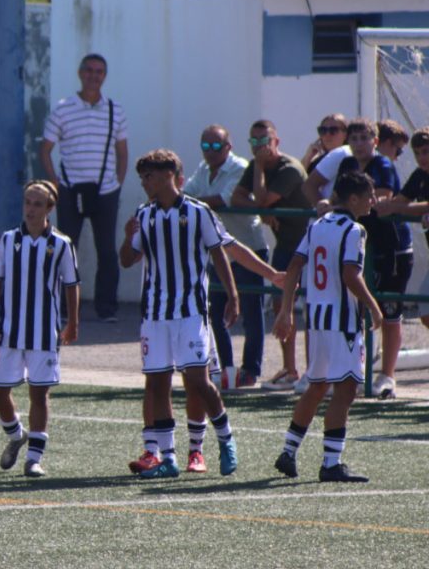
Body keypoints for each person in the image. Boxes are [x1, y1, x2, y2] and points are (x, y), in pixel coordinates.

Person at [119, 149, 240, 479]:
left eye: (149, 176)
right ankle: (169, 457)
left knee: (199, 382)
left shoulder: (198, 212)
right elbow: (126, 260)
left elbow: (218, 253)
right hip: (155, 314)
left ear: (169, 176)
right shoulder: (144, 215)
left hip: (189, 312)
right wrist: (128, 238)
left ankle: (226, 440)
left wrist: (232, 294)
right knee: (157, 384)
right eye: (142, 177)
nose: (144, 183)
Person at [272, 171, 383, 483]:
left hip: (317, 320)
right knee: (346, 388)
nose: (373, 201)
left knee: (317, 385)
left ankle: (289, 452)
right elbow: (350, 274)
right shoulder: (354, 229)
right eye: (369, 195)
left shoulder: (318, 225)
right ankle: (331, 463)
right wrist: (374, 306)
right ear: (353, 199)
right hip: (342, 321)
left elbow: (294, 266)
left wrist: (285, 310)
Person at [0, 179, 79, 478]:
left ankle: (34, 458)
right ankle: (15, 434)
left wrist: (72, 322)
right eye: (27, 202)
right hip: (9, 330)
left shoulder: (61, 244)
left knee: (39, 393)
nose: (30, 209)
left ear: (49, 208)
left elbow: (72, 285)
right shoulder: (9, 240)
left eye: (37, 203)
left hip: (44, 332)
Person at [40, 53, 128, 323]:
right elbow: (45, 150)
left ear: (105, 76)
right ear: (80, 73)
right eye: (89, 70)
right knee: (66, 249)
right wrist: (55, 183)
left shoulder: (116, 110)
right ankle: (65, 309)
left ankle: (106, 308)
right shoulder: (63, 109)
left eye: (99, 71)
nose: (93, 75)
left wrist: (118, 183)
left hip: (105, 191)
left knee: (107, 251)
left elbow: (122, 152)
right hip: (70, 189)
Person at [183, 124, 267, 387]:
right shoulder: (202, 168)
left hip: (247, 246)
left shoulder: (240, 167)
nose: (210, 152)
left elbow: (223, 199)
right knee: (216, 313)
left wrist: (195, 202)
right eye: (205, 146)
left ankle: (251, 370)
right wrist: (195, 200)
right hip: (220, 250)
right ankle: (226, 370)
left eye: (215, 146)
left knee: (251, 314)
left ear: (228, 146)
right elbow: (187, 193)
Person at [230, 120, 311, 391]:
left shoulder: (288, 169)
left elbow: (262, 199)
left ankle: (316, 371)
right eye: (254, 142)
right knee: (280, 306)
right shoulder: (256, 165)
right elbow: (237, 198)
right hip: (286, 246)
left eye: (264, 141)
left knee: (312, 308)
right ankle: (290, 370)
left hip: (309, 245)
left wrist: (263, 203)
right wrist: (263, 210)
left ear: (277, 141)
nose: (259, 147)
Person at [337, 119, 412, 399]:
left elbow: (380, 201)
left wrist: (352, 204)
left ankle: (388, 376)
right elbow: (339, 198)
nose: (358, 144)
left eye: (363, 138)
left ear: (375, 141)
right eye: (353, 138)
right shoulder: (347, 166)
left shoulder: (383, 166)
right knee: (359, 310)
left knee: (390, 311)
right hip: (361, 246)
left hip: (391, 248)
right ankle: (358, 371)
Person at [377, 127, 429, 331]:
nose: (421, 157)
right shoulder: (419, 176)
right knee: (425, 311)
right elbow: (399, 201)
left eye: (425, 151)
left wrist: (396, 206)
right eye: (417, 153)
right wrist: (383, 204)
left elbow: (420, 206)